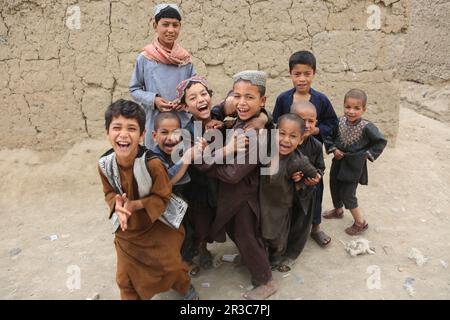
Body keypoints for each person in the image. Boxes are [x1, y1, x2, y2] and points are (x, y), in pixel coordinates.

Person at [98, 99, 198, 300]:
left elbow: (163, 196)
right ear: (107, 132)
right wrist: (117, 205)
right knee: (125, 279)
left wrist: (137, 204)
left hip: (159, 225)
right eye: (117, 127)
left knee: (171, 267)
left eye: (132, 129)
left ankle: (185, 287)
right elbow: (109, 192)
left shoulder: (153, 164)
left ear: (142, 135)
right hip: (128, 231)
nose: (124, 134)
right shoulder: (105, 164)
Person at [198, 70, 277, 300]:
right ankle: (249, 260)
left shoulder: (256, 134)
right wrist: (223, 127)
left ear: (262, 101)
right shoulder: (241, 122)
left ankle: (265, 281)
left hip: (244, 197)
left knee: (247, 236)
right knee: (236, 232)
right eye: (237, 95)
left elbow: (233, 174)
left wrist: (206, 163)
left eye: (249, 97)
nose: (241, 102)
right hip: (232, 195)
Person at [272, 50, 338, 246]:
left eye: (306, 74)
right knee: (290, 190)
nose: (302, 79)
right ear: (290, 74)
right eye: (297, 74)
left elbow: (332, 122)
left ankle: (316, 227)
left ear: (314, 73)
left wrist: (315, 128)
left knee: (314, 188)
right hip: (289, 153)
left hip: (311, 151)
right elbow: (277, 122)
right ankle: (291, 227)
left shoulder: (321, 100)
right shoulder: (284, 99)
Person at [129, 3, 195, 148]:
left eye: (175, 25)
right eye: (165, 24)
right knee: (155, 162)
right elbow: (134, 89)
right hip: (154, 122)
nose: (170, 30)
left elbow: (193, 90)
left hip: (181, 121)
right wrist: (154, 100)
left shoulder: (185, 60)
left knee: (181, 162)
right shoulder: (145, 58)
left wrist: (183, 102)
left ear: (180, 27)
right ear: (155, 26)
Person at [323, 89, 387, 235]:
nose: (351, 111)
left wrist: (366, 155)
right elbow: (328, 138)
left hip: (353, 165)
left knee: (348, 193)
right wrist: (333, 149)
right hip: (338, 161)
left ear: (364, 109)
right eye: (348, 107)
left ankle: (360, 222)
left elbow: (380, 142)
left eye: (356, 108)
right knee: (334, 185)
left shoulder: (366, 126)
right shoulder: (339, 122)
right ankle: (338, 210)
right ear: (343, 106)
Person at [259, 113, 318, 271]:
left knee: (278, 237)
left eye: (293, 136)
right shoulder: (266, 152)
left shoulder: (298, 161)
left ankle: (277, 258)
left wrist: (302, 180)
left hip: (281, 206)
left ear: (300, 139)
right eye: (282, 133)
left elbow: (315, 175)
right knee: (262, 233)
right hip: (262, 202)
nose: (285, 140)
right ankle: (264, 257)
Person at [150, 111, 203, 277]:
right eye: (164, 133)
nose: (171, 138)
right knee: (173, 238)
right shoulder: (153, 158)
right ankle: (179, 268)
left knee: (188, 233)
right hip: (167, 208)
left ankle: (186, 259)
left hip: (184, 202)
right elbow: (166, 182)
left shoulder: (182, 148)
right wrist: (187, 158)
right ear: (154, 135)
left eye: (176, 133)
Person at [290, 101, 330, 248]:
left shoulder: (317, 145)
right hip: (288, 186)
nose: (306, 125)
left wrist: (317, 176)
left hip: (310, 186)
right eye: (301, 120)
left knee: (315, 203)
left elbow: (320, 166)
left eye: (311, 121)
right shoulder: (285, 141)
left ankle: (316, 229)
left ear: (316, 122)